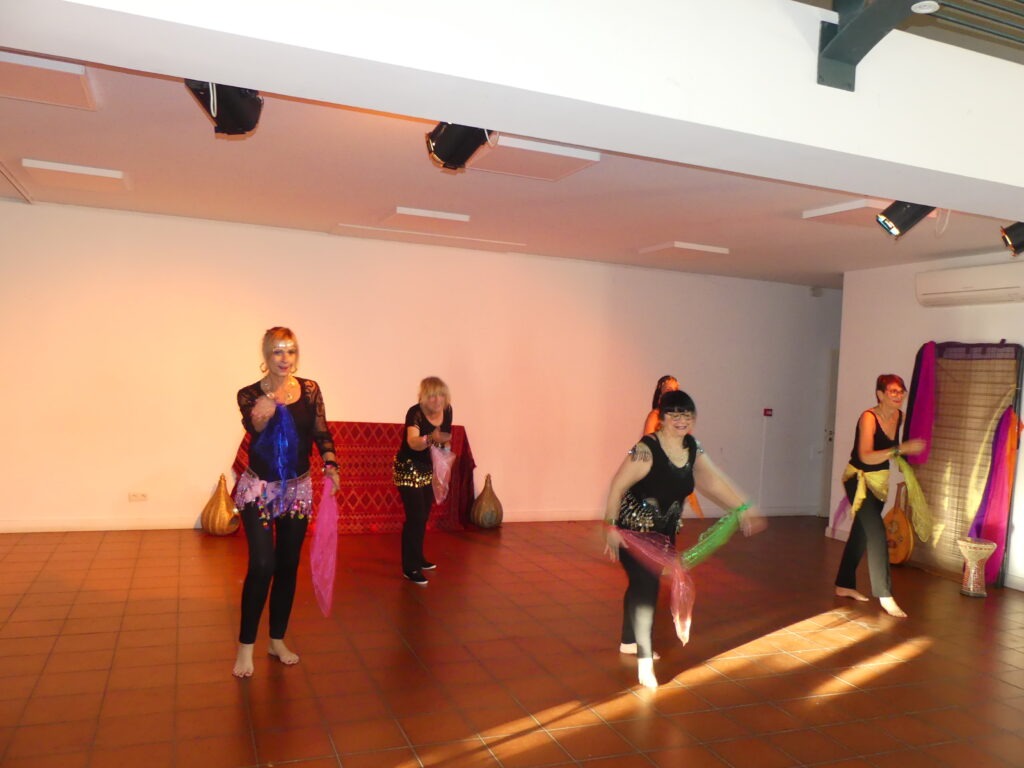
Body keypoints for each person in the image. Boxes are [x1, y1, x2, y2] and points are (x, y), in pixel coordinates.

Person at [606, 390, 765, 689]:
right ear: (662, 418)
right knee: (647, 586)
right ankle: (643, 661)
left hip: (664, 532)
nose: (682, 420)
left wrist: (741, 507)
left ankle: (629, 640)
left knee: (641, 584)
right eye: (675, 414)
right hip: (632, 530)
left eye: (687, 415)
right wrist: (611, 527)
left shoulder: (693, 448)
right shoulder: (645, 449)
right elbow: (617, 485)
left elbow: (713, 480)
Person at [231, 327, 340, 678]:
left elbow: (320, 431)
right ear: (266, 355)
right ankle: (245, 647)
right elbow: (256, 429)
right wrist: (264, 409)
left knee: (288, 565)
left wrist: (331, 464)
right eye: (277, 351)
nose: (284, 358)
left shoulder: (309, 390)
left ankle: (276, 640)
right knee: (263, 564)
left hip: (297, 489)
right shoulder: (249, 394)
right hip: (259, 490)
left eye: (290, 351)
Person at [834, 374, 925, 618]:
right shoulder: (868, 417)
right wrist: (899, 449)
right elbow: (866, 455)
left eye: (901, 392)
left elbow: (889, 454)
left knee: (861, 533)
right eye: (893, 391)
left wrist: (902, 455)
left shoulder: (899, 416)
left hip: (879, 482)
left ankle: (844, 583)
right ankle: (885, 595)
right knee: (876, 533)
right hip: (858, 480)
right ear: (880, 394)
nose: (898, 396)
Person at [393, 376, 452, 586]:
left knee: (423, 514)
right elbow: (412, 442)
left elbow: (445, 435)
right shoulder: (415, 412)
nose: (437, 400)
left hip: (427, 468)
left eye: (441, 395)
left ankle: (417, 556)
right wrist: (431, 438)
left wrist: (444, 454)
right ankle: (410, 568)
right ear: (424, 397)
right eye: (432, 396)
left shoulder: (448, 410)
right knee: (416, 516)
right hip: (408, 468)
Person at [643, 375, 704, 518]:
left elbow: (686, 441)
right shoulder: (654, 416)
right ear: (660, 395)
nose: (673, 393)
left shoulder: (680, 417)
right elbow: (648, 443)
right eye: (668, 390)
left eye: (675, 389)